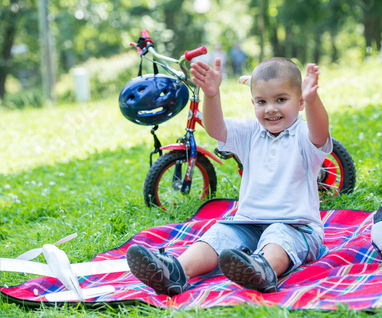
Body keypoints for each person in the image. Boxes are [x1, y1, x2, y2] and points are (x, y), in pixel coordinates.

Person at [126, 56, 332, 296]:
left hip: (297, 226)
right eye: (262, 101)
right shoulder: (251, 132)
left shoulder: (304, 136)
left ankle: (263, 270)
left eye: (281, 100)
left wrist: (313, 100)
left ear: (299, 102)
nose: (271, 108)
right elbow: (217, 129)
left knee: (278, 236)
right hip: (249, 222)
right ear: (252, 102)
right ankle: (175, 271)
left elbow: (320, 132)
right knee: (219, 236)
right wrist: (212, 96)